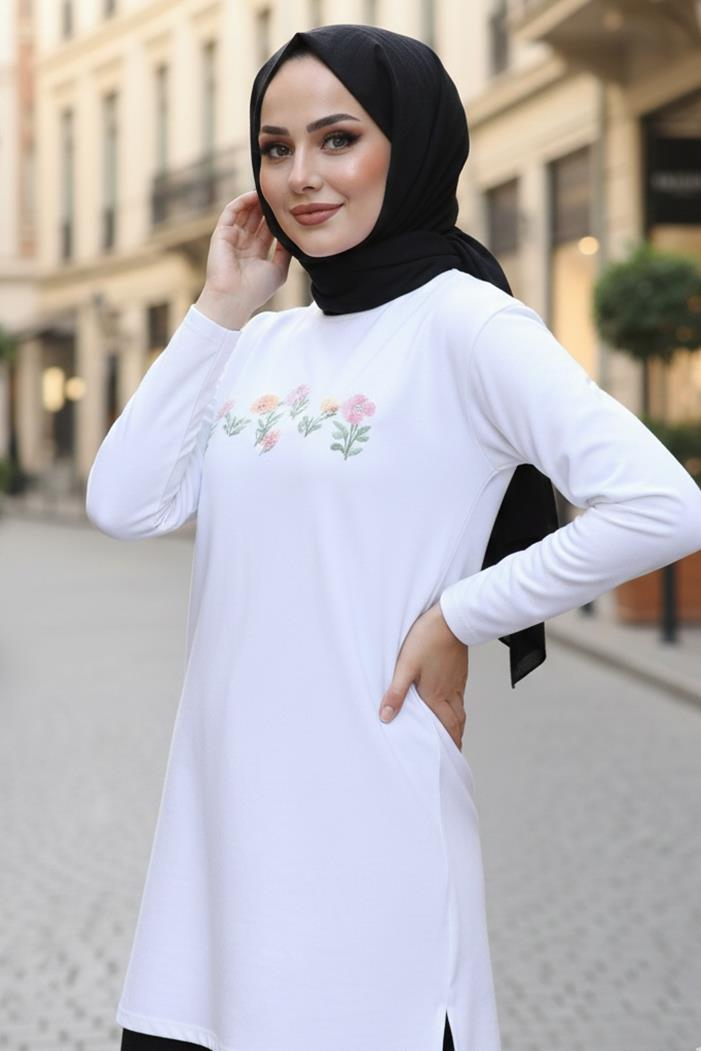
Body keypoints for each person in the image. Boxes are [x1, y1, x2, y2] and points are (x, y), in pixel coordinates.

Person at [84, 24, 701, 1051]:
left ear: (407, 146)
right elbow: (123, 501)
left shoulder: (466, 325)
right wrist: (218, 309)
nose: (300, 175)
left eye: (337, 138)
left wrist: (460, 612)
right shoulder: (260, 340)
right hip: (221, 831)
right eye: (274, 148)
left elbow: (662, 504)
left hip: (368, 820)